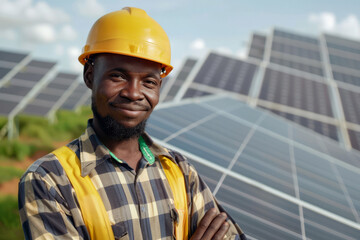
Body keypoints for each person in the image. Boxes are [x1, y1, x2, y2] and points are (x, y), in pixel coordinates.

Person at [18, 7, 247, 240]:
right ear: (89, 75)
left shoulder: (179, 171)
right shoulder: (49, 180)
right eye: (118, 76)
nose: (134, 93)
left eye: (149, 82)